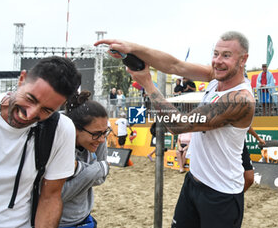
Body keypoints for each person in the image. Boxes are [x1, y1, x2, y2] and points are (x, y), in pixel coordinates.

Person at [96, 31, 255, 228]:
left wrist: (148, 84)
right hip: (193, 182)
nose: (218, 61)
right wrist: (132, 48)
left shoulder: (241, 99)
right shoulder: (216, 78)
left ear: (243, 59)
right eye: (215, 54)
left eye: (226, 55)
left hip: (221, 194)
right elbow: (175, 66)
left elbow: (178, 125)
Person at [0, 56, 81, 228]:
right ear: (22, 80)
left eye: (47, 110)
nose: (29, 115)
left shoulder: (60, 129)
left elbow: (50, 197)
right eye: (30, 99)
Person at [59, 90, 110, 228]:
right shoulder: (57, 143)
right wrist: (94, 170)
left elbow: (101, 178)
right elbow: (57, 195)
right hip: (59, 221)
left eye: (105, 132)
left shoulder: (99, 138)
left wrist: (78, 169)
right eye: (96, 134)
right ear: (75, 129)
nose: (101, 139)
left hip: (85, 218)